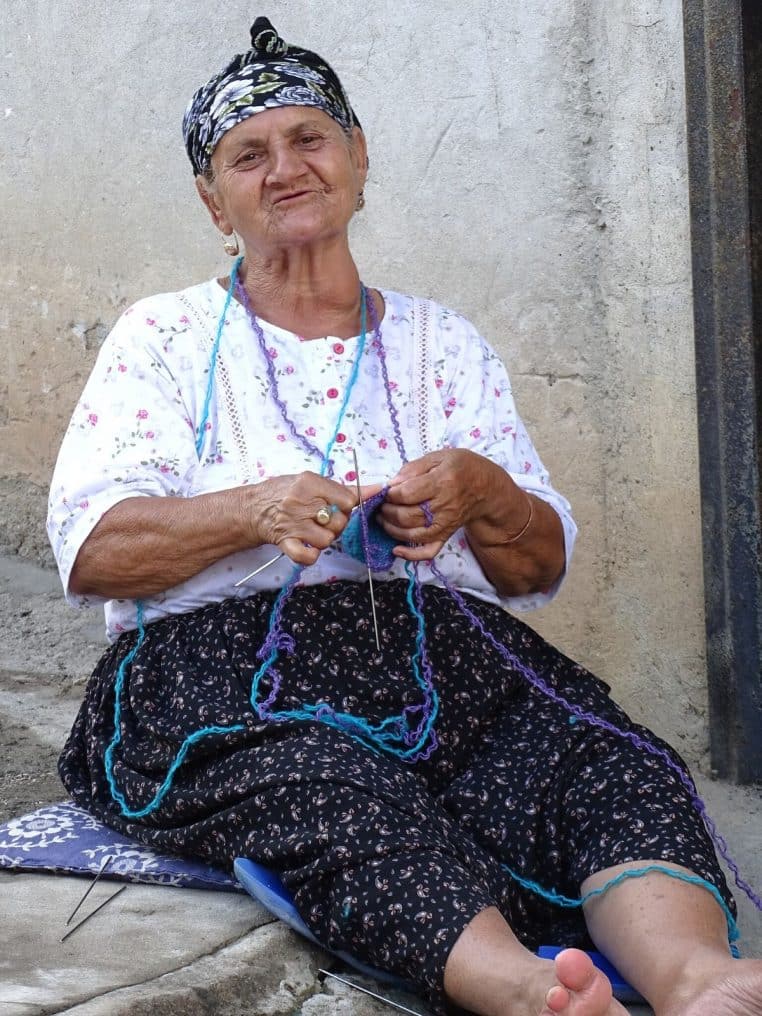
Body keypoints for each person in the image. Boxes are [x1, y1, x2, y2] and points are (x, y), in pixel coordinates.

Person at [47, 17, 762, 1016]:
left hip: (444, 656)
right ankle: (529, 990)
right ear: (216, 201)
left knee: (603, 753)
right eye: (250, 156)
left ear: (359, 158)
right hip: (219, 672)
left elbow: (533, 563)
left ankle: (699, 978)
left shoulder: (444, 342)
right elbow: (92, 546)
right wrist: (253, 508)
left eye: (311, 139)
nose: (287, 168)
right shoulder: (164, 337)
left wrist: (485, 491)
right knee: (334, 791)